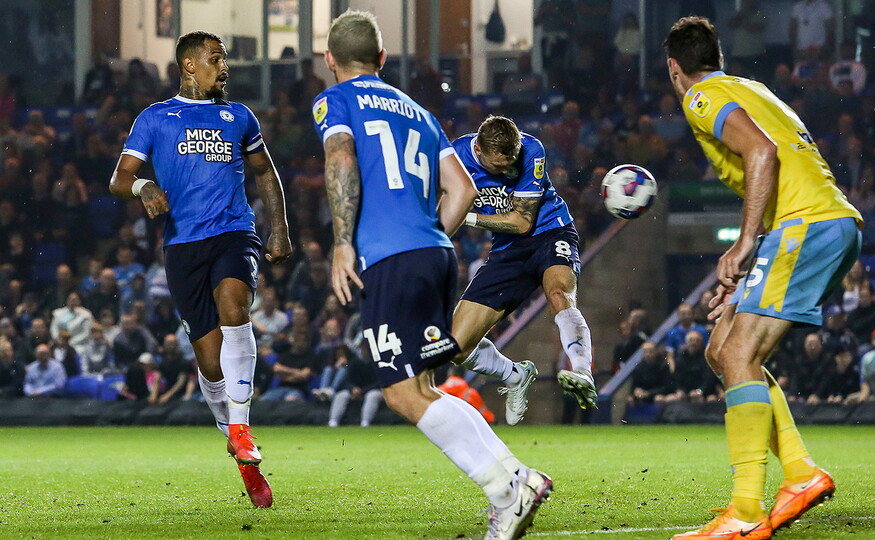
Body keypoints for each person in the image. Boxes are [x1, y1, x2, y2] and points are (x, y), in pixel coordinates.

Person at [312, 11, 551, 539]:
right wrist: (427, 237)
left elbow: (341, 158)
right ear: (381, 58)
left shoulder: (336, 101)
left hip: (391, 258)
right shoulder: (419, 112)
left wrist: (343, 242)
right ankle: (517, 478)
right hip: (437, 253)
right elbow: (462, 190)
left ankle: (504, 490)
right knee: (424, 385)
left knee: (402, 393)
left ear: (330, 59)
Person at [665, 17, 862, 539]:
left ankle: (746, 510)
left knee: (739, 354)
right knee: (722, 349)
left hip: (804, 226)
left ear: (674, 67)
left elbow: (762, 152)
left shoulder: (701, 96)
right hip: (817, 224)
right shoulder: (751, 88)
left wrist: (744, 241)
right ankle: (799, 471)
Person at [109, 30, 292, 508]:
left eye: (224, 59)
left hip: (234, 232)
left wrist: (279, 228)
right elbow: (119, 178)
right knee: (210, 364)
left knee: (235, 306)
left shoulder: (239, 116)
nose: (224, 67)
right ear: (189, 64)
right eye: (216, 58)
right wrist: (144, 187)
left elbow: (264, 171)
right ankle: (242, 457)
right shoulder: (155, 118)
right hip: (182, 245)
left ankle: (242, 429)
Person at [448, 115, 598, 426]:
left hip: (550, 231)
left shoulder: (532, 150)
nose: (507, 171)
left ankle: (583, 371)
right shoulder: (454, 156)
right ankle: (515, 375)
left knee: (559, 293)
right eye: (498, 167)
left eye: (510, 163)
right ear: (479, 150)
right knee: (456, 347)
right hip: (507, 251)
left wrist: (465, 216)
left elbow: (521, 223)